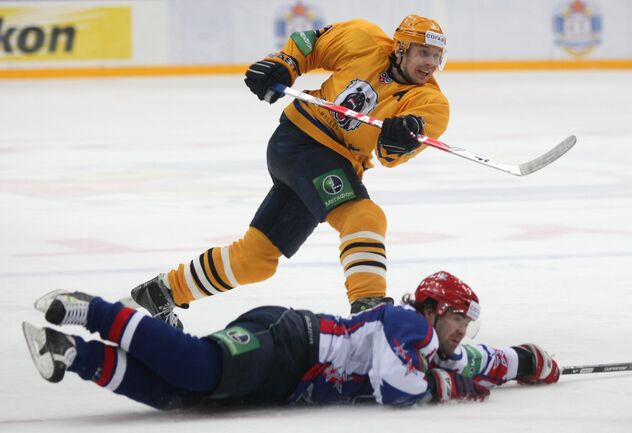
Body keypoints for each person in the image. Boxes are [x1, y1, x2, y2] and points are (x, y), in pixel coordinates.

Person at [128, 14, 451, 327]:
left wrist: (402, 136)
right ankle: (370, 319)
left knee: (255, 260)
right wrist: (284, 64)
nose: (430, 63)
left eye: (436, 56)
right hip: (300, 141)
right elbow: (309, 43)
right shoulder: (363, 39)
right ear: (399, 48)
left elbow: (390, 156)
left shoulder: (432, 103)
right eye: (423, 52)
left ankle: (163, 291)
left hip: (330, 163)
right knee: (363, 217)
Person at [23, 271, 560, 409]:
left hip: (287, 379)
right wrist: (452, 388)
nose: (463, 330)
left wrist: (527, 361)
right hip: (288, 341)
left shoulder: (435, 346)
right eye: (457, 318)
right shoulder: (406, 324)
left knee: (183, 399)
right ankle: (86, 308)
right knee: (198, 369)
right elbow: (398, 389)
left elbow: (476, 359)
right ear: (431, 310)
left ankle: (71, 354)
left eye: (468, 320)